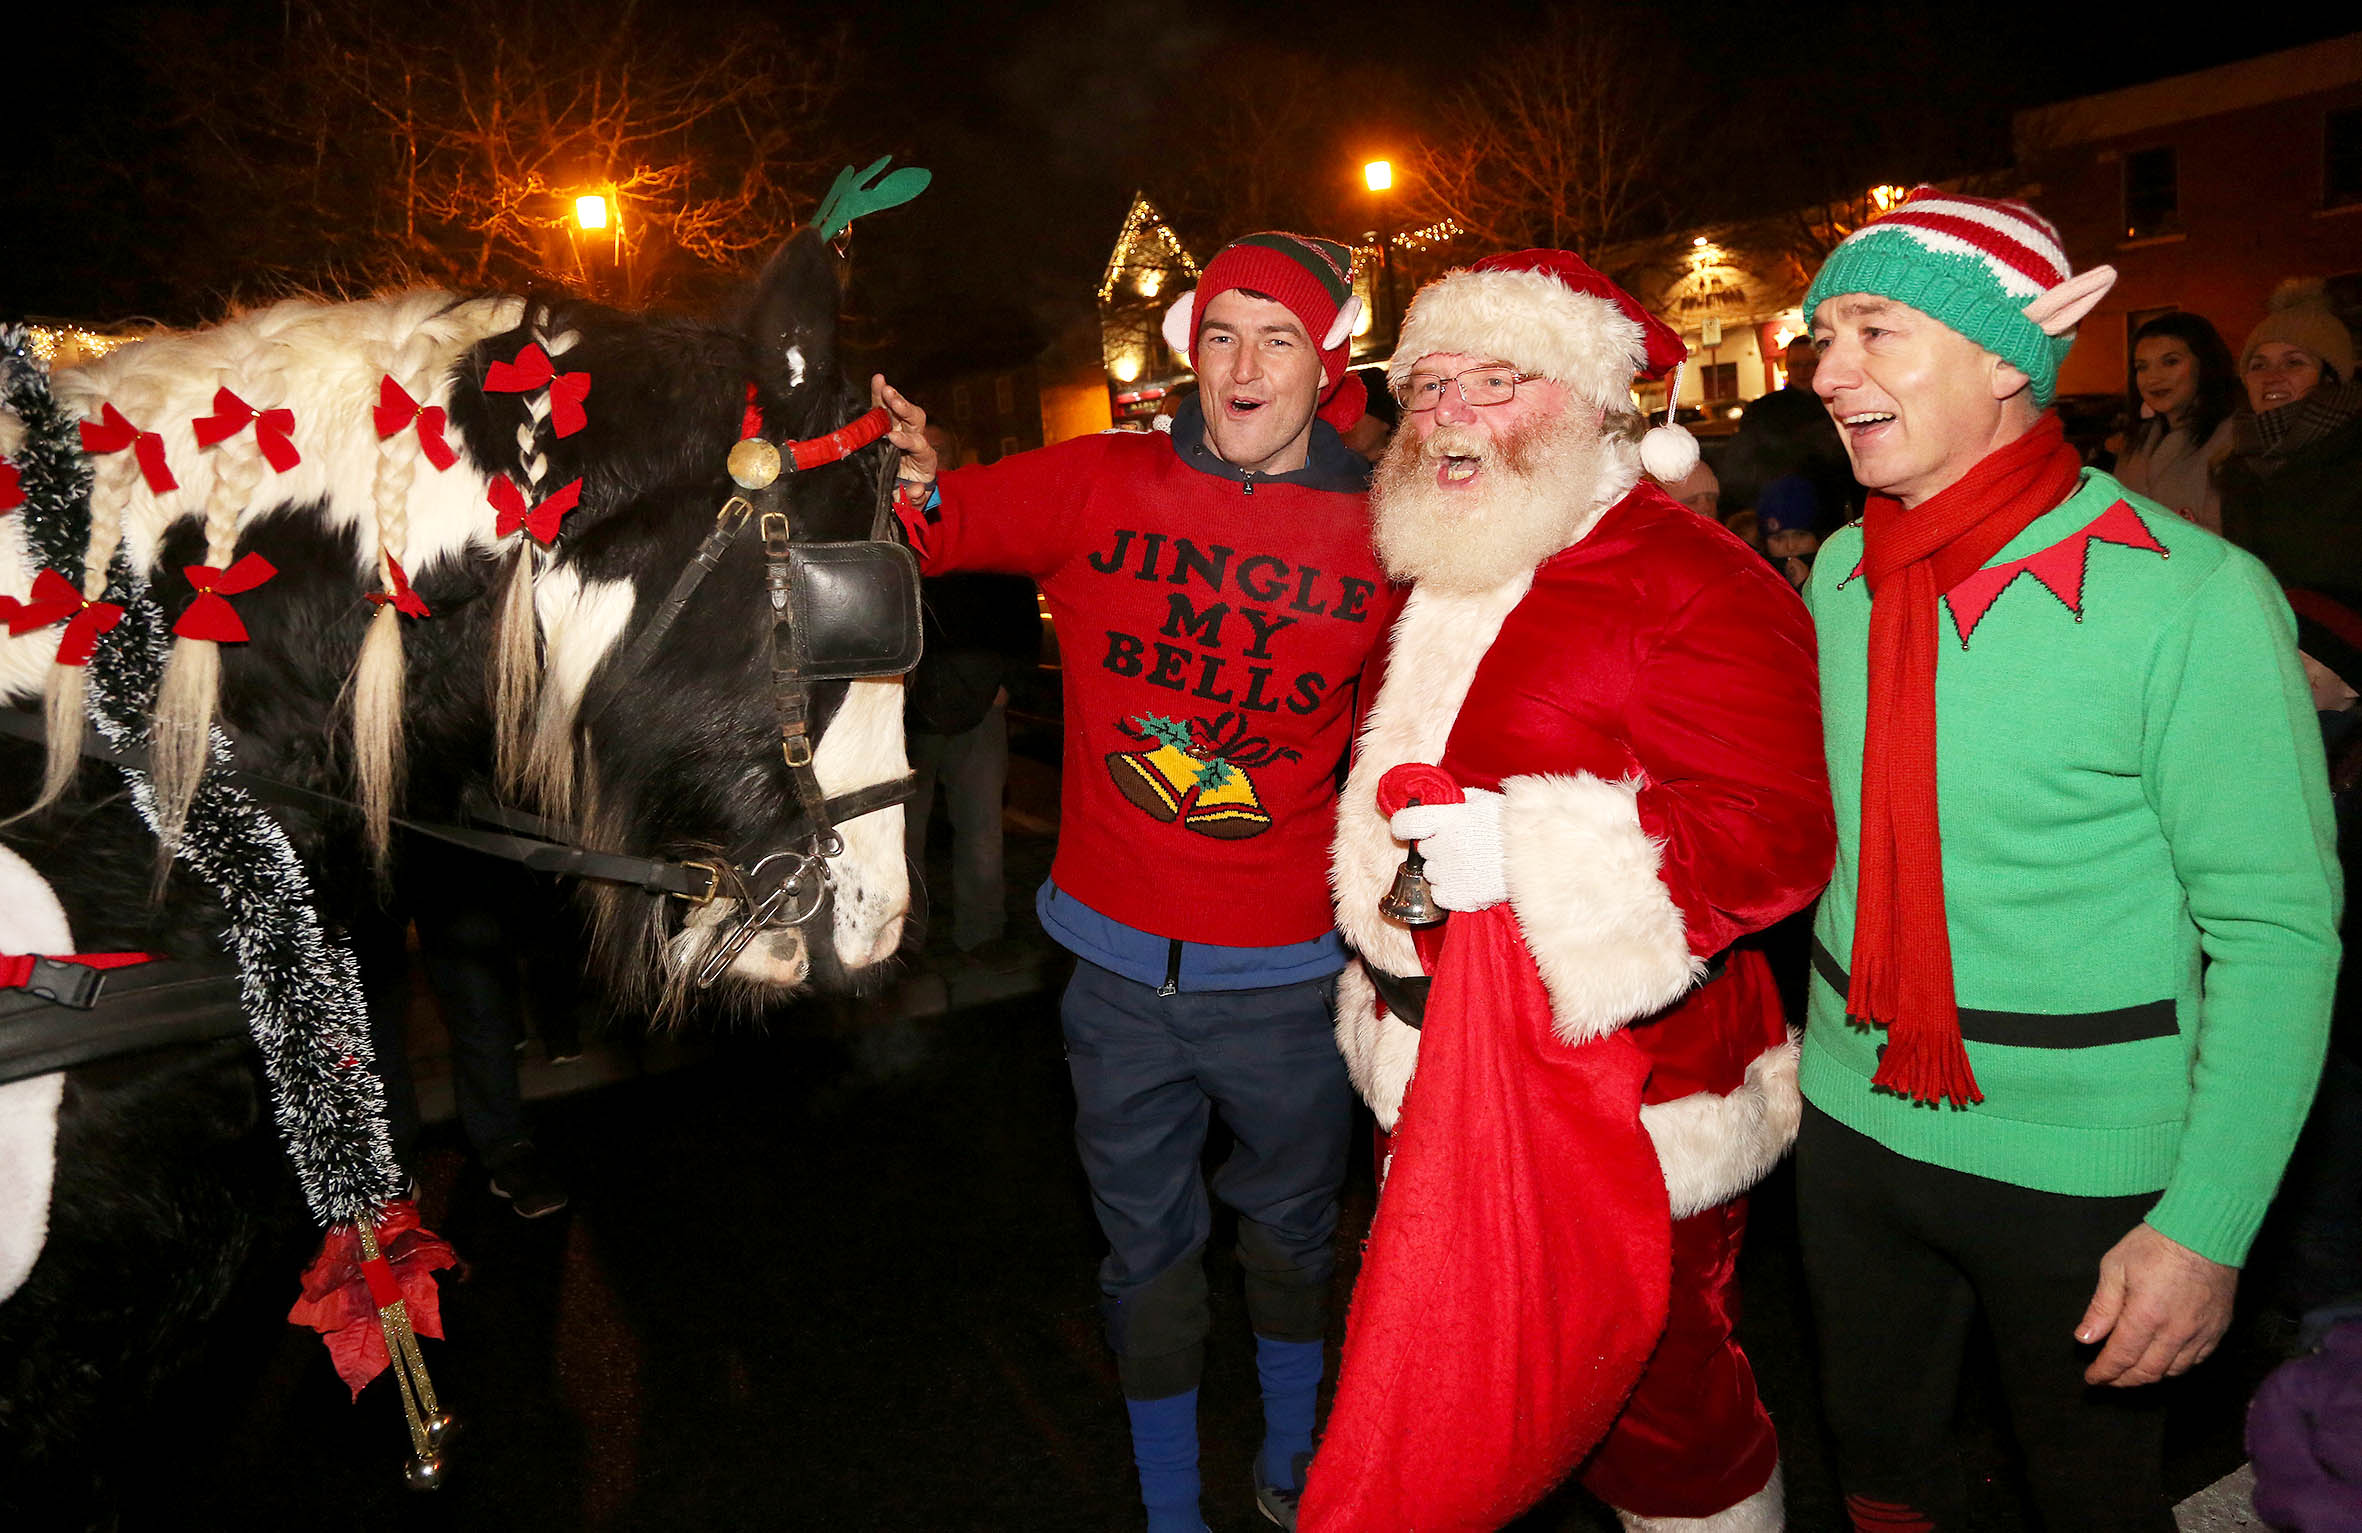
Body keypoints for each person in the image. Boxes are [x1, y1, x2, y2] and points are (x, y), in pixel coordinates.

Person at [1796, 187, 2341, 1532]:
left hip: (2084, 1166)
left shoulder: (2188, 597)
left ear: (2005, 358)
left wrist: (2206, 1225)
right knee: (1878, 1475)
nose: (1826, 371)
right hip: (1849, 1127)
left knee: (2087, 1499)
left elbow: (2275, 934)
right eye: (1821, 336)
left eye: (1873, 330)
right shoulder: (1839, 576)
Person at [874, 232, 1388, 1533]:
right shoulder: (1104, 482)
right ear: (1190, 357)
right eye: (1220, 335)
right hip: (1109, 979)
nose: (1242, 364)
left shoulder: (1388, 528)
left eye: (1277, 339)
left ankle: (1290, 1460)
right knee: (1145, 1261)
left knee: (1289, 1244)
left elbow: (1432, 714)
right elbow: (935, 529)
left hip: (1285, 983)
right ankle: (1170, 1511)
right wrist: (907, 474)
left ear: (1325, 364)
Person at [1313, 249, 1834, 1531]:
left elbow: (1775, 835)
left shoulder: (1701, 584)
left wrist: (1540, 856)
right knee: (1470, 1389)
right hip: (1432, 1069)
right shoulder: (1457, 559)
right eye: (1427, 384)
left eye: (1496, 381)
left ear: (1599, 403)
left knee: (1663, 1414)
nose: (1445, 414)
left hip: (1623, 1102)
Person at [2216, 281, 2362, 1341]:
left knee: (2321, 989)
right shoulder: (2246, 462)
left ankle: (2329, 1288)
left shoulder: (2348, 457)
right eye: (2261, 358)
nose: (2272, 373)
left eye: (2295, 361)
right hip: (2266, 714)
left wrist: (2345, 669)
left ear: (2333, 376)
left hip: (2339, 727)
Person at [2114, 311, 2239, 533]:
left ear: (2205, 363)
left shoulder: (2234, 438)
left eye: (2170, 362)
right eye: (2142, 367)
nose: (2153, 378)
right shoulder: (2137, 442)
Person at [1720, 331, 1856, 528]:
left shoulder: (1840, 406)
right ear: (1787, 366)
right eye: (1796, 365)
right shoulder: (1763, 410)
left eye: (1810, 364)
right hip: (1778, 512)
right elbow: (1744, 463)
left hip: (1830, 513)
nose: (1803, 372)